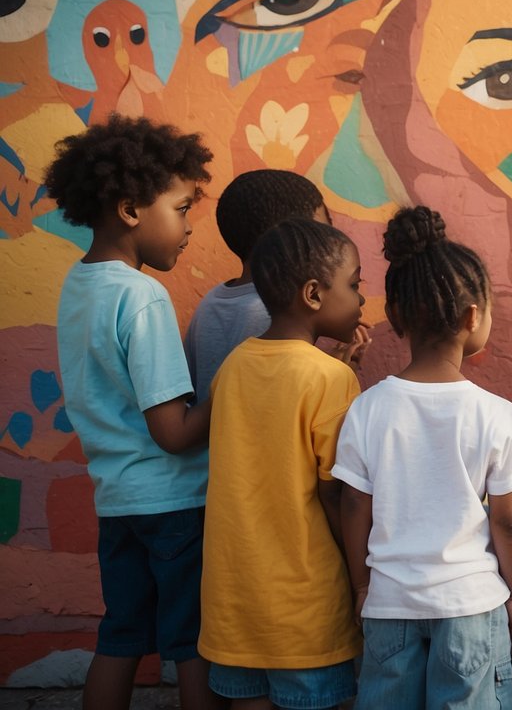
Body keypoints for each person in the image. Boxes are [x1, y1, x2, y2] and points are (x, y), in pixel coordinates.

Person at [43, 114, 218, 710]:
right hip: (174, 504)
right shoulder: (141, 295)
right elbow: (173, 433)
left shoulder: (79, 285)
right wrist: (236, 382)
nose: (189, 226)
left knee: (120, 636)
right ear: (129, 210)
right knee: (194, 642)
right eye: (182, 207)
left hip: (117, 502)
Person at [335, 206, 512, 709]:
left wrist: (362, 587)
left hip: (389, 606)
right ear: (473, 317)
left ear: (397, 316)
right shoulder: (497, 414)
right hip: (471, 606)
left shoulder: (366, 407)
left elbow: (353, 508)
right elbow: (508, 525)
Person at [199, 218, 366, 710]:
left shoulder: (233, 365)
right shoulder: (331, 380)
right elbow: (338, 492)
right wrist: (362, 579)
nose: (360, 301)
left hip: (234, 602)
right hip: (304, 607)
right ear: (313, 294)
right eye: (354, 286)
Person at [184, 168, 349, 402]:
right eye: (322, 231)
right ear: (287, 240)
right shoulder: (277, 313)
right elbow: (280, 405)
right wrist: (333, 371)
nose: (332, 241)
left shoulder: (211, 302)